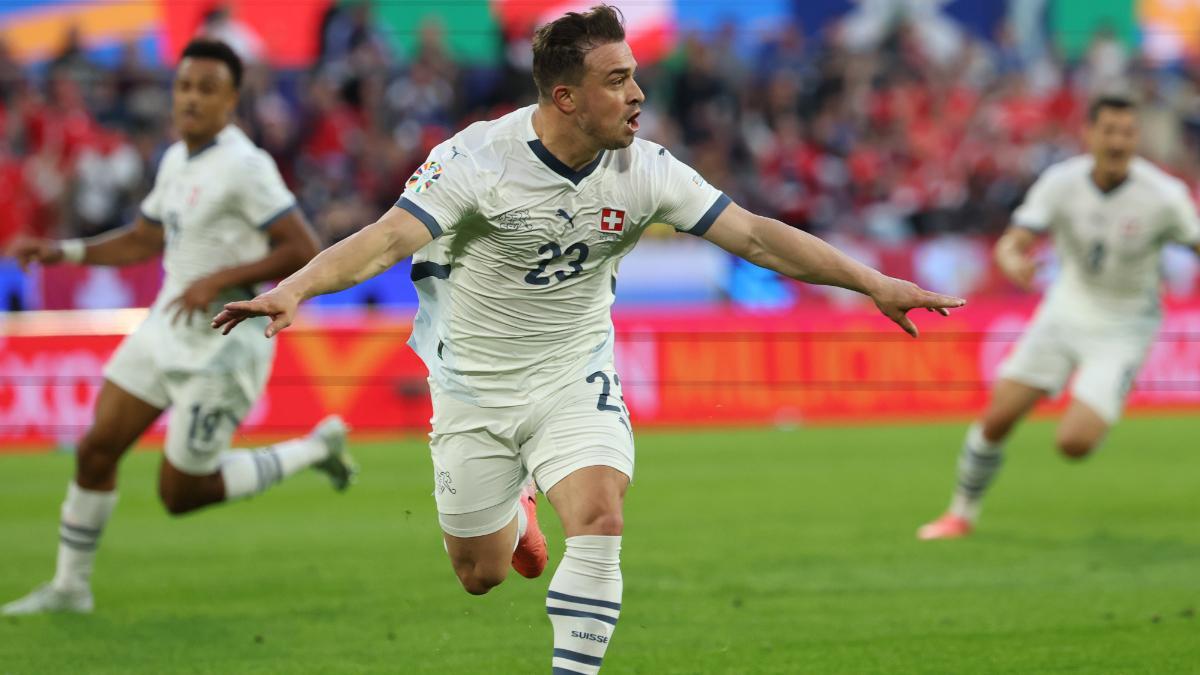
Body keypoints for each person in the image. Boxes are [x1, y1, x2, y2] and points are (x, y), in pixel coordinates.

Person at [212, 7, 963, 672]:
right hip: (472, 382)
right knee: (481, 573)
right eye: (617, 80)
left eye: (634, 76)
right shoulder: (477, 162)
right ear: (565, 97)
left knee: (602, 514)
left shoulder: (646, 169)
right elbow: (384, 240)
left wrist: (873, 282)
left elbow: (757, 238)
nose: (637, 94)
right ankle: (516, 512)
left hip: (574, 370)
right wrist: (296, 288)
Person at [2, 39, 356, 616]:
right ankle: (70, 588)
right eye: (185, 86)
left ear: (232, 99)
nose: (191, 98)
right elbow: (144, 238)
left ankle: (313, 448)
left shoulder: (246, 166)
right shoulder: (176, 159)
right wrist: (63, 252)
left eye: (207, 89)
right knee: (96, 449)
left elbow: (303, 247)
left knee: (181, 493)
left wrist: (221, 279)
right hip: (167, 325)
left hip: (224, 345)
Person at [918, 95, 1200, 541]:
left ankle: (1105, 400)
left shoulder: (1164, 197)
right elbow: (1014, 241)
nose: (1117, 141)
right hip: (1064, 311)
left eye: (1127, 132)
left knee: (1074, 445)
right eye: (1108, 131)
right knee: (998, 419)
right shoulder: (1061, 182)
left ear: (1136, 137)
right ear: (1088, 134)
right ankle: (960, 513)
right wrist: (1013, 261)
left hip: (1125, 327)